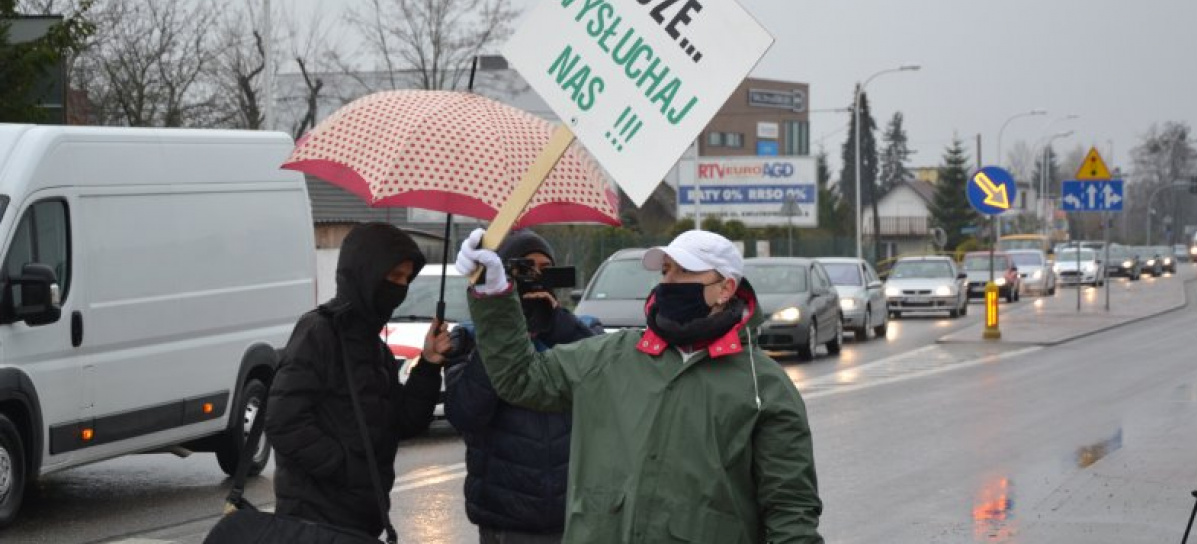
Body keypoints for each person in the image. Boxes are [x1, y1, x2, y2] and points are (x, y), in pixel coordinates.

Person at [456, 229, 824, 544]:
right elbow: (520, 378)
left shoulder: (764, 385)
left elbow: (791, 509)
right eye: (665, 270)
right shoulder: (611, 356)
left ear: (726, 288)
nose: (668, 282)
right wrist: (496, 296)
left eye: (684, 272)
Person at [265, 222, 451, 537]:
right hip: (313, 522)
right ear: (365, 273)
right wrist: (345, 468)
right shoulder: (318, 333)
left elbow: (403, 422)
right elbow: (283, 420)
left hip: (363, 521)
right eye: (393, 277)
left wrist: (430, 365)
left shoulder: (376, 348)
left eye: (406, 279)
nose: (400, 287)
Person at [445, 229, 601, 543]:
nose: (536, 277)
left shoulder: (580, 331)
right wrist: (506, 332)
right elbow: (466, 414)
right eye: (525, 269)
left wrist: (555, 322)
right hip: (506, 521)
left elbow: (605, 379)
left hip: (574, 517)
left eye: (546, 269)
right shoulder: (470, 338)